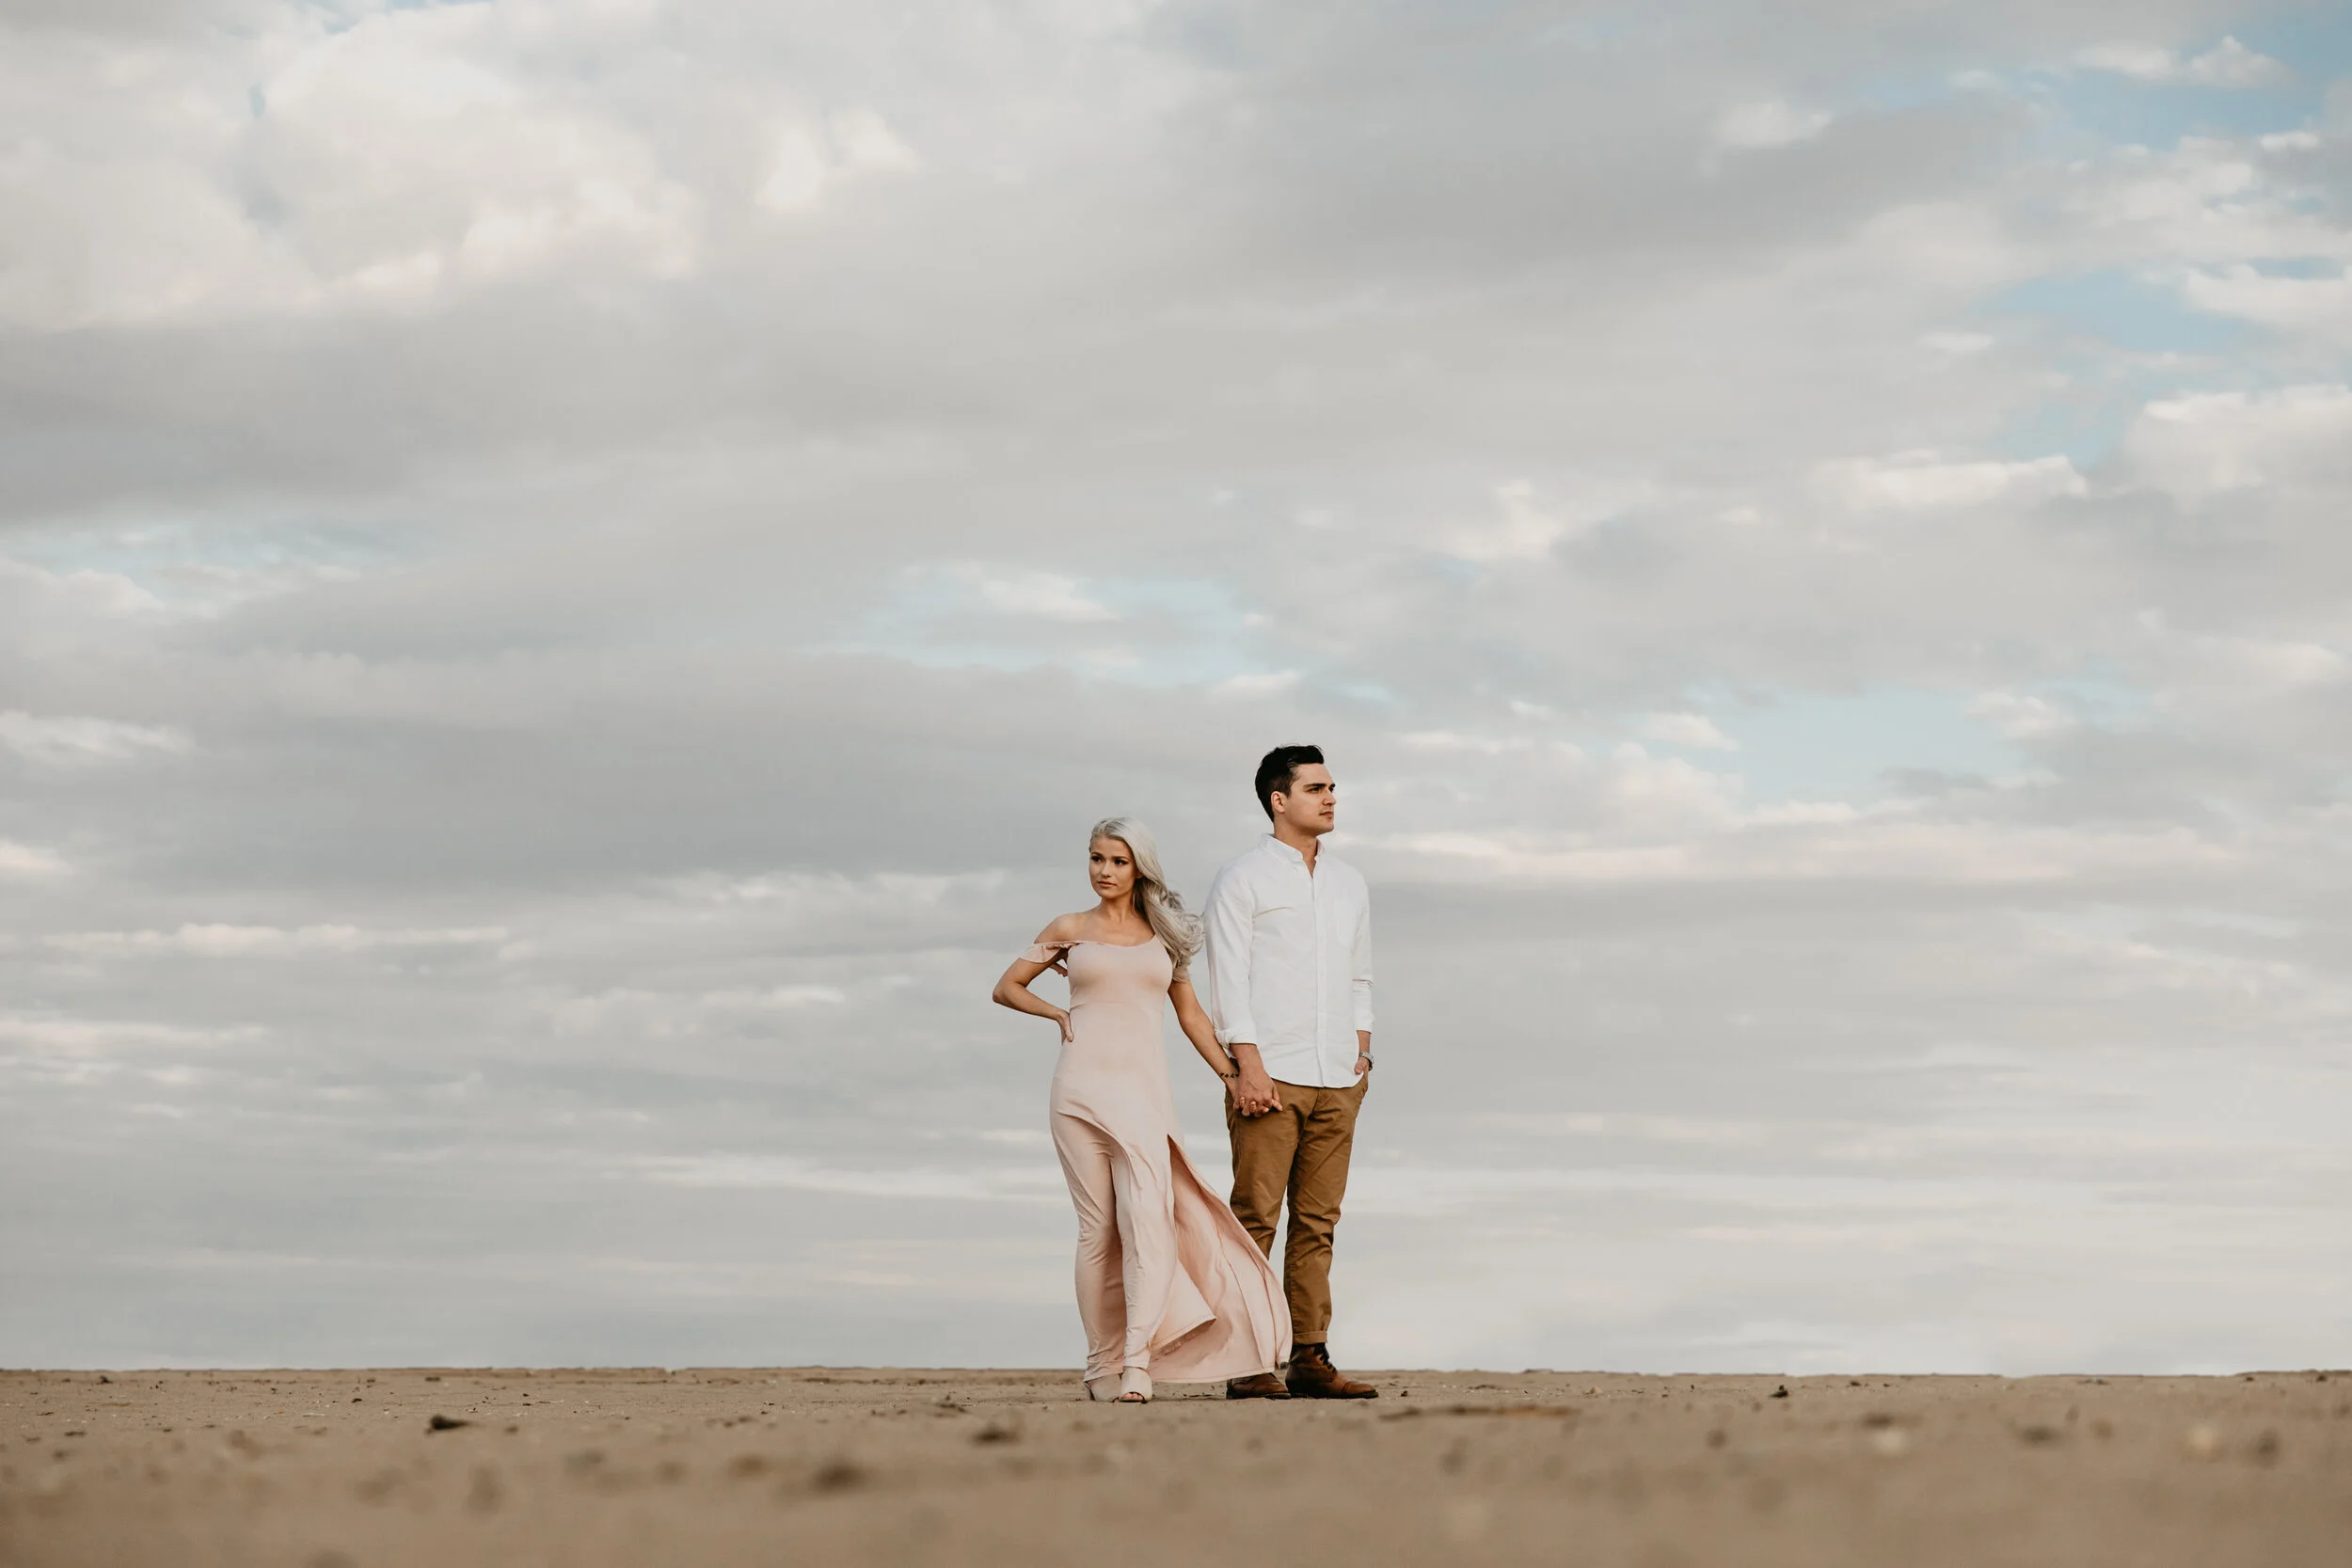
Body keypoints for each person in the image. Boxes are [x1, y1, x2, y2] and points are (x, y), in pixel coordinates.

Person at [991, 817, 1290, 1404]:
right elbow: (1006, 986)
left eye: (1117, 861)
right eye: (1096, 859)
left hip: (1144, 1095)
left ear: (1140, 868)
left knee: (1148, 1224)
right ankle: (1100, 1365)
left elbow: (1193, 1018)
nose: (1104, 871)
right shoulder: (1068, 928)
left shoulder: (1166, 938)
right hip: (1078, 1092)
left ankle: (1137, 1363)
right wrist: (1057, 1015)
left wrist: (1232, 1077)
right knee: (1096, 1232)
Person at [1202, 745, 1380, 1400]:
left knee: (1317, 1221)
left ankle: (1309, 1354)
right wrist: (1246, 1065)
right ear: (1280, 799)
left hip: (1338, 1074)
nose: (1330, 796)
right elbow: (1227, 978)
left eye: (1332, 786)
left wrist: (1361, 1050)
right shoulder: (1242, 878)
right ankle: (1247, 1360)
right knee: (1255, 1216)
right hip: (1269, 1075)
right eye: (1315, 787)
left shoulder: (1349, 882)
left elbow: (1359, 973)